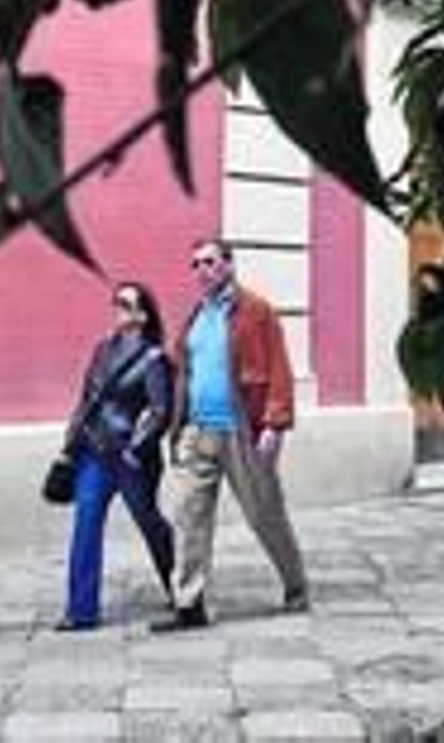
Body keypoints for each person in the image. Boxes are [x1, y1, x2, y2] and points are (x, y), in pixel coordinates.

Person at [153, 238, 309, 632]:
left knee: (265, 514)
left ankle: (295, 585)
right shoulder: (196, 316)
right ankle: (189, 604)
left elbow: (279, 368)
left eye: (209, 262)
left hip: (241, 431)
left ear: (229, 264)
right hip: (197, 430)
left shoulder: (256, 311)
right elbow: (183, 371)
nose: (201, 270)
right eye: (195, 264)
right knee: (188, 518)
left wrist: (275, 424)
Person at [55, 280, 175, 631]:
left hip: (130, 458)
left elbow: (160, 411)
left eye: (125, 303)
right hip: (94, 451)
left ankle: (180, 587)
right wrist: (71, 440)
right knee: (86, 524)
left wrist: (137, 449)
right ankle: (81, 611)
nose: (117, 308)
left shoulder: (153, 358)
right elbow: (87, 399)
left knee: (150, 523)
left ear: (142, 315)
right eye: (116, 302)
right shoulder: (102, 349)